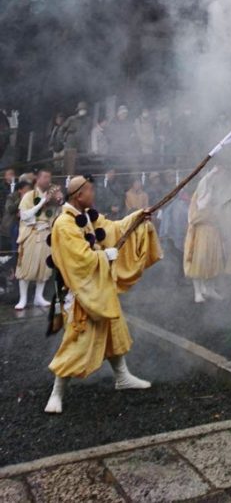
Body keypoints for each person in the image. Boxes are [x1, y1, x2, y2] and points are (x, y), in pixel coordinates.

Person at [44, 174, 161, 414]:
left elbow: (112, 229)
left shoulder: (85, 216)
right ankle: (57, 393)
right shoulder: (65, 224)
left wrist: (137, 217)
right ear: (79, 195)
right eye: (90, 191)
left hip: (100, 287)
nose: (93, 195)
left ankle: (123, 377)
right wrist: (103, 256)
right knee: (77, 341)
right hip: (81, 292)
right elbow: (76, 259)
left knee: (113, 329)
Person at [15, 168, 63, 310]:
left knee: (44, 267)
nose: (48, 179)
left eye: (49, 177)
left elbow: (57, 215)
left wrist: (59, 201)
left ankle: (38, 297)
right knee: (26, 266)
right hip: (31, 233)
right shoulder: (29, 195)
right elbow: (25, 215)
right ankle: (22, 298)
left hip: (46, 234)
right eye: (45, 177)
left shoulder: (52, 195)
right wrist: (42, 202)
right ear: (38, 178)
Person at [184, 167, 226, 303]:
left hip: (213, 231)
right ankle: (198, 292)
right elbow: (203, 184)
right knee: (199, 260)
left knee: (213, 260)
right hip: (200, 232)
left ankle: (209, 289)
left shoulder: (213, 193)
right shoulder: (200, 194)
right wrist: (212, 173)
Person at [58, 102, 91, 176]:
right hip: (71, 144)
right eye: (81, 109)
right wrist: (62, 140)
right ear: (78, 110)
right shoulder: (71, 119)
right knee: (69, 165)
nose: (83, 111)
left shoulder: (88, 120)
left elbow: (88, 133)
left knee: (81, 165)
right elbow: (61, 129)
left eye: (84, 109)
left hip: (82, 146)